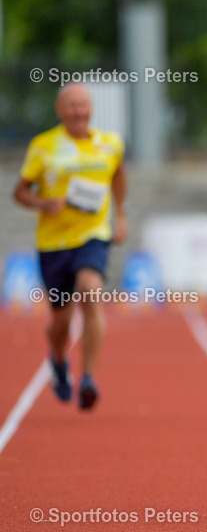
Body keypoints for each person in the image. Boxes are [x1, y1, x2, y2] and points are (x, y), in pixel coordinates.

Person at [12, 84, 127, 410]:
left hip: (93, 234)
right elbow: (19, 191)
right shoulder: (44, 146)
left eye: (84, 105)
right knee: (60, 322)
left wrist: (120, 214)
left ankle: (89, 378)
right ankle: (59, 360)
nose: (79, 111)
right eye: (72, 106)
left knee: (91, 290)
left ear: (91, 109)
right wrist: (43, 203)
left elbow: (118, 175)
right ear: (60, 110)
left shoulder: (110, 144)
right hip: (54, 243)